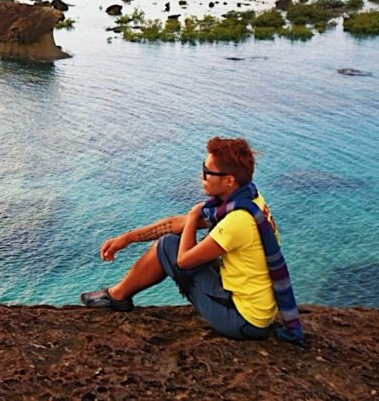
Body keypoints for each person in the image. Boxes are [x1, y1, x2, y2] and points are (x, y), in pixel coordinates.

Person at [79, 136, 303, 344]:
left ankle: (117, 297)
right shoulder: (248, 200)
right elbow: (177, 224)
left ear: (228, 181)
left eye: (207, 172)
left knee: (168, 246)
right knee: (173, 240)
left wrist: (195, 214)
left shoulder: (237, 221)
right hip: (255, 306)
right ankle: (118, 294)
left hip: (243, 320)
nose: (201, 176)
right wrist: (127, 239)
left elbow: (183, 261)